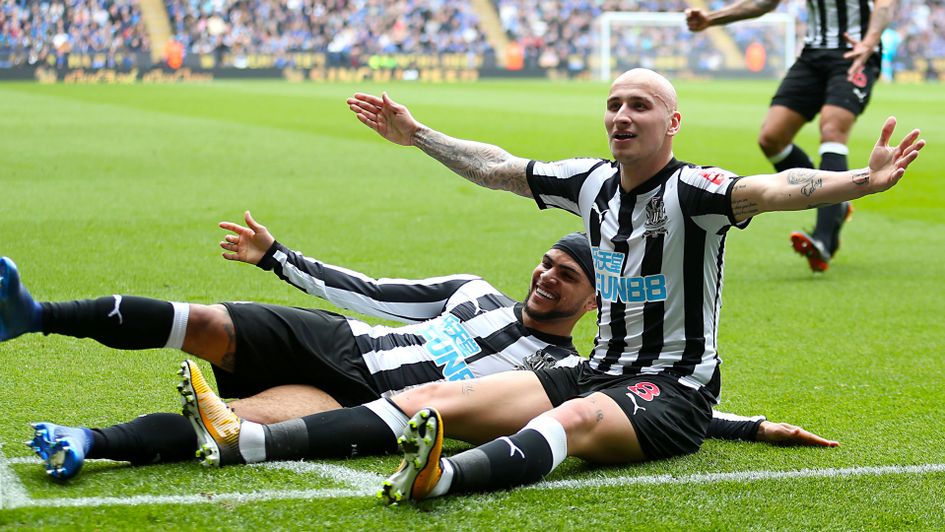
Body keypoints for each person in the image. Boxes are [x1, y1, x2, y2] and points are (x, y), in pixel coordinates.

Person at [181, 68, 920, 504]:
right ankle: (245, 442)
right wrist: (419, 135)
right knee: (429, 400)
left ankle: (437, 482)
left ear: (672, 122)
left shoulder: (696, 192)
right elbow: (498, 167)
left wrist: (861, 179)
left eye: (639, 106)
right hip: (599, 370)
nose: (621, 116)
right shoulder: (591, 182)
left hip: (673, 394)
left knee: (567, 426)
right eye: (613, 104)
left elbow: (778, 185)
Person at [0, 216, 812, 480]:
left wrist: (745, 425)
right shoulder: (471, 292)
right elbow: (370, 292)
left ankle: (91, 443)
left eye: (566, 276)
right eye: (544, 263)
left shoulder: (567, 371)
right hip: (342, 341)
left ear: (593, 299)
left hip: (357, 403)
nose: (545, 277)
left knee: (238, 422)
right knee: (204, 320)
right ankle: (34, 315)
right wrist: (282, 260)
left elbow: (635, 403)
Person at [686, 0, 898, 272]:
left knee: (832, 130)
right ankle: (836, 198)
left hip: (855, 53)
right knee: (771, 138)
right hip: (813, 55)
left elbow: (885, 5)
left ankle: (823, 238)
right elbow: (763, 3)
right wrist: (710, 19)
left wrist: (868, 42)